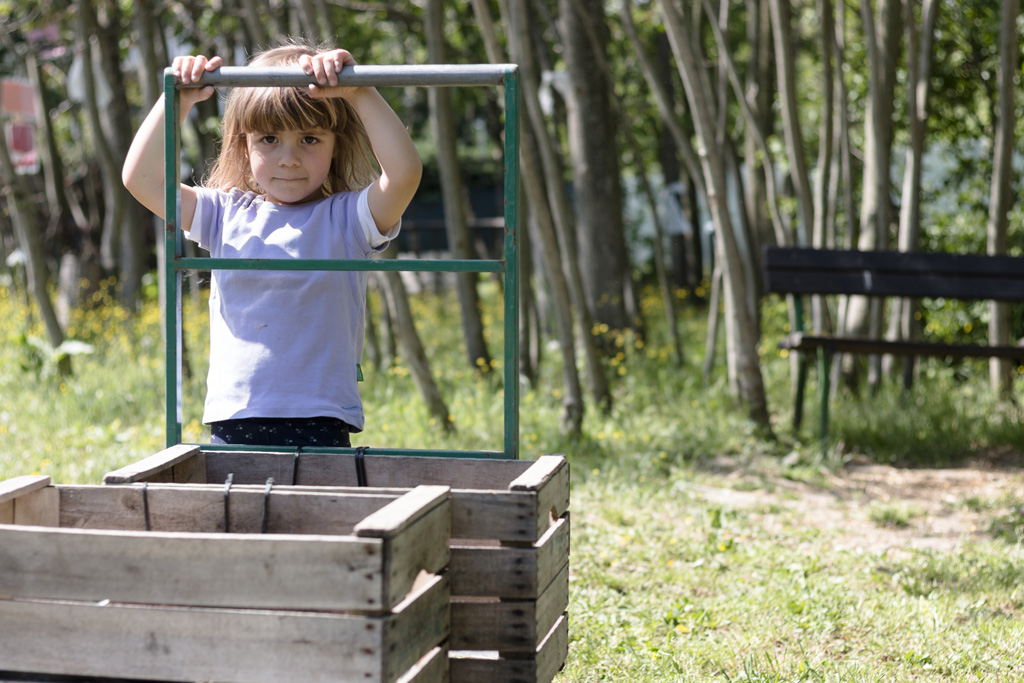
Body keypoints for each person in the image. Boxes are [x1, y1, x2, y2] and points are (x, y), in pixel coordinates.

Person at [123, 41, 422, 448]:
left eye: (310, 139)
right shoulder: (224, 214)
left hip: (322, 418)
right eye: (268, 139)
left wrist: (358, 91)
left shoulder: (348, 219)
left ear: (335, 145)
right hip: (236, 417)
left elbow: (404, 174)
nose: (289, 158)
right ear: (243, 145)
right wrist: (177, 99)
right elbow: (140, 179)